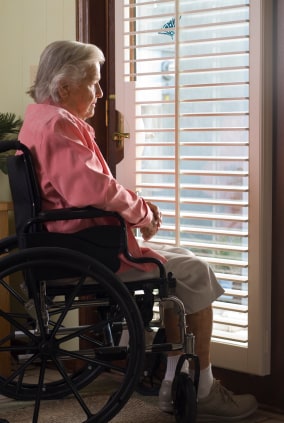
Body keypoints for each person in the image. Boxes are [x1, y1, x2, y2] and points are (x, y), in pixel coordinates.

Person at [18, 40, 257, 420]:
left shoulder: (38, 119)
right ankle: (202, 388)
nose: (99, 92)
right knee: (195, 271)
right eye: (93, 83)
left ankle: (173, 385)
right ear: (64, 87)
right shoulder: (58, 124)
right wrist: (142, 212)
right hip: (89, 250)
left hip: (75, 241)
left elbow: (88, 187)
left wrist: (136, 210)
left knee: (185, 265)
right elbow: (92, 189)